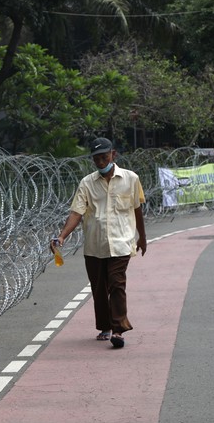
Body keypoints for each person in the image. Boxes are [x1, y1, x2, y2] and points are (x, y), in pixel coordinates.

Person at [53, 137, 147, 348]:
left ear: (113, 154)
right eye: (96, 159)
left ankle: (118, 330)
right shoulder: (87, 183)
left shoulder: (131, 179)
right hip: (94, 246)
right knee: (99, 289)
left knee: (117, 284)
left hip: (121, 243)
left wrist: (142, 237)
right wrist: (62, 236)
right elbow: (77, 213)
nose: (101, 162)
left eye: (104, 157)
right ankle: (105, 326)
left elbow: (137, 209)